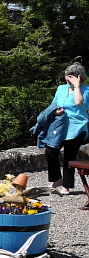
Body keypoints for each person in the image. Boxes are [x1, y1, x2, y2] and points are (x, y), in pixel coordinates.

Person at [42, 61, 89, 195]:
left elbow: (78, 102)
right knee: (50, 152)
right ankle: (56, 179)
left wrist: (77, 86)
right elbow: (54, 104)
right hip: (60, 125)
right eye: (66, 75)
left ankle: (67, 186)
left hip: (77, 127)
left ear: (79, 76)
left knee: (70, 156)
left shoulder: (86, 90)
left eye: (70, 76)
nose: (67, 78)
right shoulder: (61, 88)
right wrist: (56, 112)